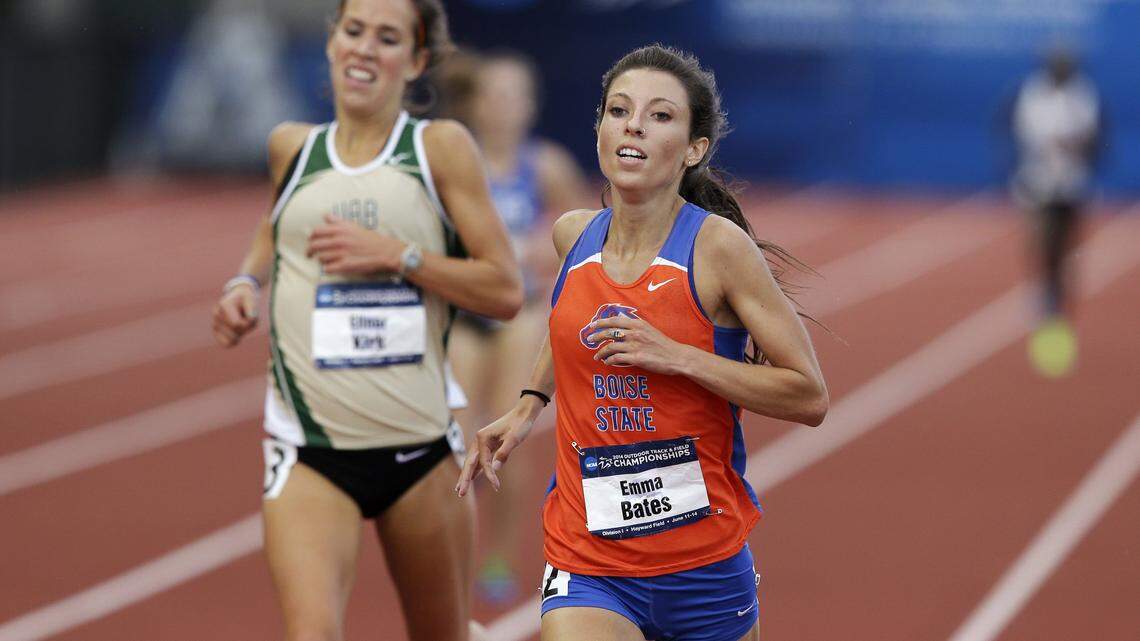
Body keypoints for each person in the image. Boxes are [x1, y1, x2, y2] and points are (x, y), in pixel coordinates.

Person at [457, 45, 828, 641]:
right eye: (618, 110)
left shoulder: (718, 249)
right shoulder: (572, 236)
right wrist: (529, 402)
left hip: (703, 563)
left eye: (660, 116)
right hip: (588, 556)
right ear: (601, 129)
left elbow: (808, 395)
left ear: (694, 149)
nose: (633, 124)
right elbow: (567, 325)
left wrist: (674, 354)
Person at [210, 1, 521, 640]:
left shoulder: (439, 150)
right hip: (309, 453)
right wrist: (246, 280)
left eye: (387, 38)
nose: (364, 50)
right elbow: (278, 229)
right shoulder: (290, 148)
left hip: (419, 450)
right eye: (353, 32)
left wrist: (400, 257)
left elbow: (504, 288)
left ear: (416, 60)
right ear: (332, 43)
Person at [437, 49, 591, 603]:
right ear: (476, 103)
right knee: (451, 440)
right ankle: (453, 549)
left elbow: (584, 237)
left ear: (530, 105)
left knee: (505, 443)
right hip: (465, 314)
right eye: (494, 95)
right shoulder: (454, 162)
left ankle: (499, 556)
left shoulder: (544, 165)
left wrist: (532, 252)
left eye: (514, 95)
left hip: (519, 315)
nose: (504, 106)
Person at [1009, 46, 1103, 377]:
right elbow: (1027, 132)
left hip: (1072, 185)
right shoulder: (1033, 93)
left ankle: (1060, 305)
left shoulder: (1083, 94)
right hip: (1039, 185)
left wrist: (1074, 146)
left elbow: (1092, 136)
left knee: (1066, 251)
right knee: (1042, 245)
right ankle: (1045, 301)